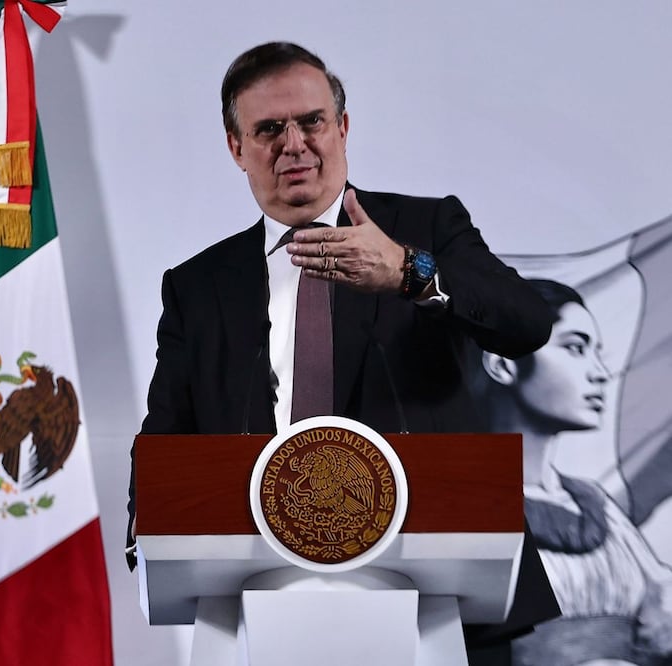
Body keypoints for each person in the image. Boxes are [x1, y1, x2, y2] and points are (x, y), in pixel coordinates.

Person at [126, 41, 559, 662]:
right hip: (259, 596)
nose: (294, 144)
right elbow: (169, 430)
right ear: (236, 147)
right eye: (269, 128)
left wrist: (412, 271)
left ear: (343, 127)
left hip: (440, 596)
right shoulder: (199, 286)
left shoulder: (425, 228)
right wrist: (147, 525)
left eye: (312, 121)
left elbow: (527, 323)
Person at [479, 279, 672, 665]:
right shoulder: (460, 502)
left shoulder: (595, 504)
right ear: (502, 364)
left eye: (597, 353)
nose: (600, 372)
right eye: (575, 348)